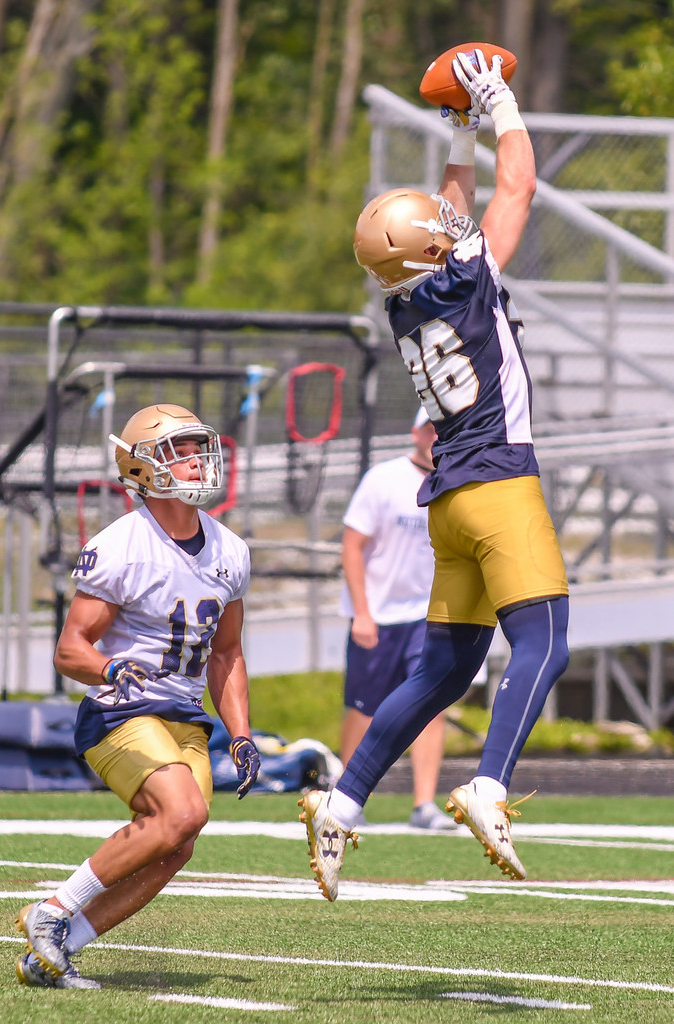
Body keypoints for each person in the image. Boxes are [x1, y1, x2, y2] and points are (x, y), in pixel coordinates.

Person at [299, 48, 569, 900]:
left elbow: (446, 224)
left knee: (443, 672)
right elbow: (516, 192)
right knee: (545, 642)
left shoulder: (404, 294)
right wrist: (501, 108)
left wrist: (457, 137)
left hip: (448, 500)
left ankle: (341, 801)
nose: (457, 232)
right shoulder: (459, 275)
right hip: (497, 487)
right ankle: (486, 785)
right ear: (437, 250)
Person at [13, 403, 260, 988]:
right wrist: (109, 668)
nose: (199, 459)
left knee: (175, 844)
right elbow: (70, 649)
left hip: (184, 717)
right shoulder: (123, 545)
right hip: (121, 711)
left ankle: (55, 950)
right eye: (181, 450)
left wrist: (243, 734)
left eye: (200, 447)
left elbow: (226, 655)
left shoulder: (231, 551)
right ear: (144, 467)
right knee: (183, 812)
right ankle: (51, 912)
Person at [340, 406, 453, 830]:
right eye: (429, 427)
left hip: (430, 616)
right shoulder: (384, 479)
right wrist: (362, 614)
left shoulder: (457, 481)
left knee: (432, 705)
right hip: (380, 613)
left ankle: (424, 804)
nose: (436, 435)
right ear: (415, 431)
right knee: (365, 707)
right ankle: (346, 795)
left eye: (443, 427)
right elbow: (352, 547)